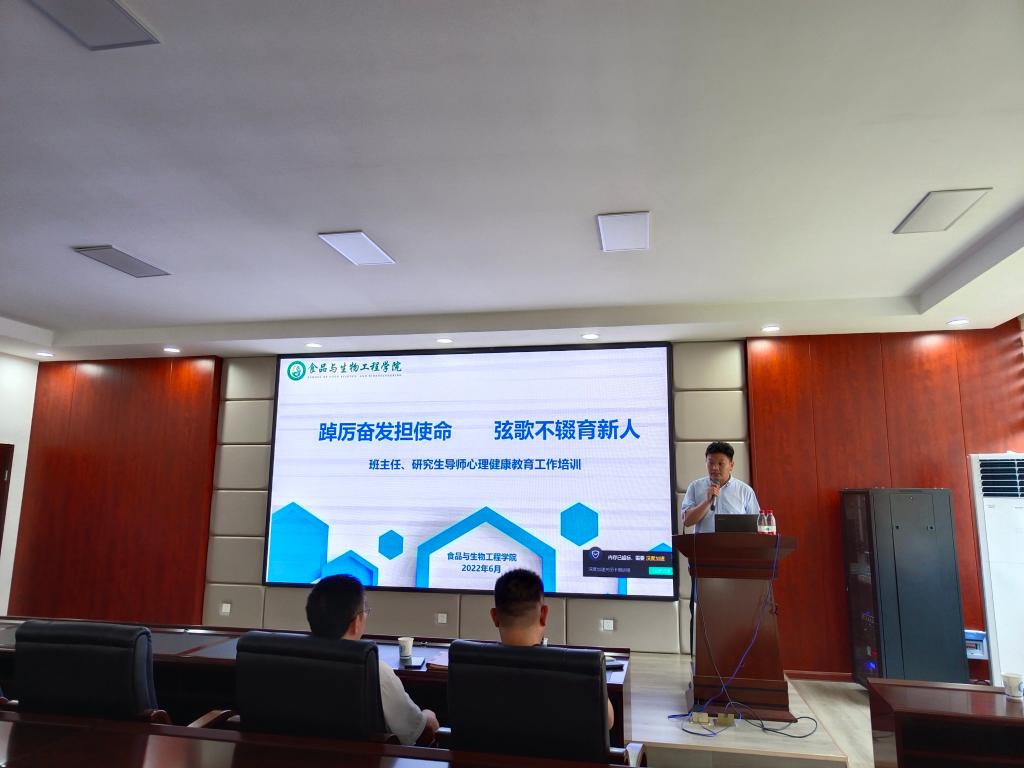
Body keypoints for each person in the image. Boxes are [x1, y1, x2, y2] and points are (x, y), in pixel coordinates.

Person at [306, 574, 439, 745]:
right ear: (356, 623)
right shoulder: (375, 672)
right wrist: (429, 716)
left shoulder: (287, 662)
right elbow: (421, 735)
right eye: (365, 612)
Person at [489, 568, 614, 729]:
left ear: (495, 617)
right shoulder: (579, 669)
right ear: (543, 614)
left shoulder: (466, 665)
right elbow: (608, 722)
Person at [680, 441, 760, 533]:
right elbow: (686, 521)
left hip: (735, 542)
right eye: (711, 463)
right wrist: (707, 502)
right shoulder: (695, 487)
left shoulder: (745, 491)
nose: (714, 468)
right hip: (703, 542)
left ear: (731, 465)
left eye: (720, 464)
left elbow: (757, 524)